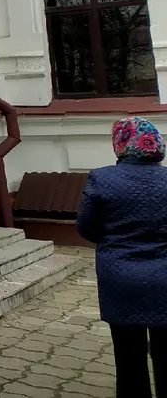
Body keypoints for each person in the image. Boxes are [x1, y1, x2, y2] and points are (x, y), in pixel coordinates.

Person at [76, 116, 167, 398]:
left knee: (129, 356)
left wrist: (114, 243)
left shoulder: (102, 178)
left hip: (121, 278)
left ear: (121, 142)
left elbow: (85, 226)